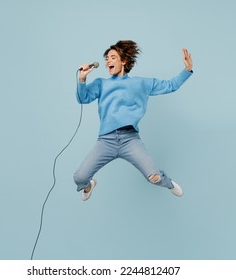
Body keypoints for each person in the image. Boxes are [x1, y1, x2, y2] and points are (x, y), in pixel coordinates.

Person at [74, 40, 193, 201]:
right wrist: (82, 79)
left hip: (130, 140)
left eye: (113, 57)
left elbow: (170, 85)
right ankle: (89, 185)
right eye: (107, 58)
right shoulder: (101, 84)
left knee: (154, 178)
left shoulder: (141, 83)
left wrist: (186, 70)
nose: (108, 60)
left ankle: (168, 183)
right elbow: (83, 98)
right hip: (106, 141)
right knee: (79, 178)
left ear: (124, 61)